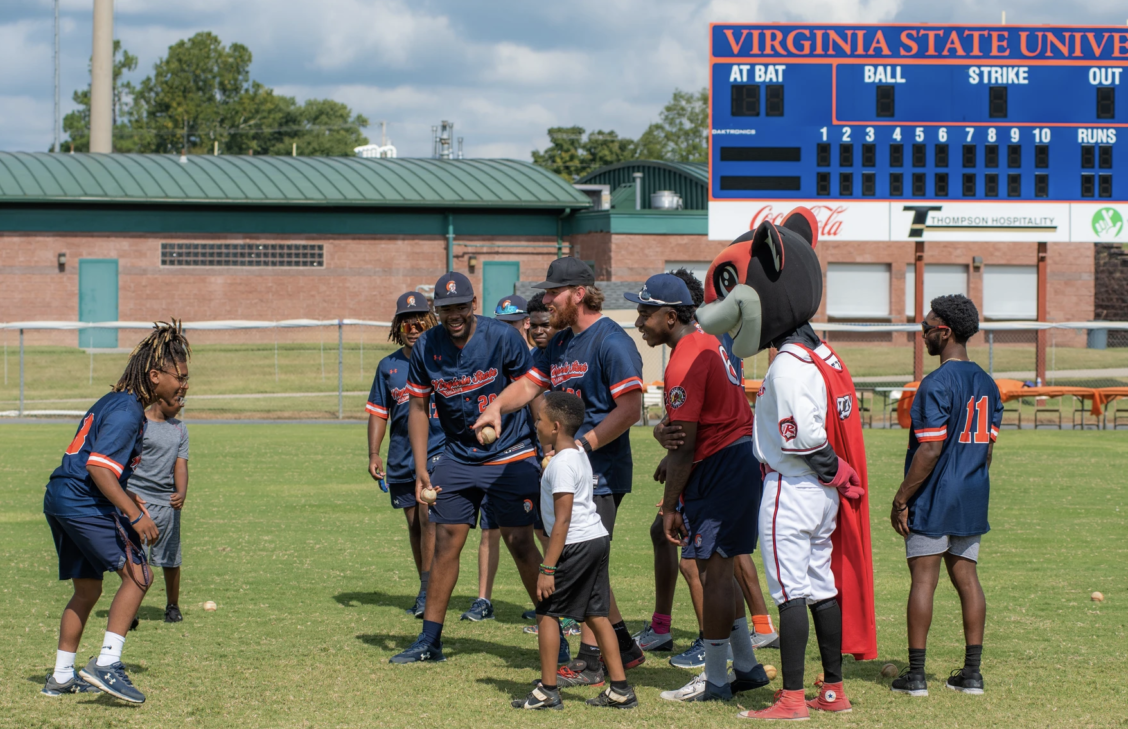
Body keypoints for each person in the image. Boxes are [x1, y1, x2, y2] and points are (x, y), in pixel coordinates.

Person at [692, 209, 876, 720]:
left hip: (792, 489)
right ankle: (832, 690)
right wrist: (837, 478)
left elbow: (805, 441)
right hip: (816, 496)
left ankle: (792, 697)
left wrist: (836, 472)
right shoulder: (820, 353)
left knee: (792, 594)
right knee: (821, 589)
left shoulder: (789, 366)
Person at [475, 257, 647, 686]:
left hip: (600, 473)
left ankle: (591, 663)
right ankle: (623, 647)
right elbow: (530, 384)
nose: (547, 299)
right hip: (569, 470)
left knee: (581, 564)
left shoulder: (611, 341)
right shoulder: (560, 343)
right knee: (587, 565)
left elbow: (630, 409)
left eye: (555, 292)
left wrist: (581, 447)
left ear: (580, 294)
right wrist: (495, 405)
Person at [390, 272, 545, 664]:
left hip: (510, 452)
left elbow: (531, 388)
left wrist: (547, 447)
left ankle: (552, 629)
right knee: (446, 543)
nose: (454, 314)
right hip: (457, 456)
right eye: (446, 308)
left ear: (473, 304)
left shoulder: (503, 337)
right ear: (437, 311)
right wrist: (422, 466)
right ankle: (430, 640)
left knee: (520, 543)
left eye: (460, 306)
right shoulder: (427, 345)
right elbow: (420, 407)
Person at [629, 273, 770, 702]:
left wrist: (670, 505)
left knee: (713, 575)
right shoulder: (710, 342)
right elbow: (687, 429)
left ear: (670, 316)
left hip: (719, 467)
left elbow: (686, 444)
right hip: (736, 461)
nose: (639, 321)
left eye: (645, 312)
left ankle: (715, 679)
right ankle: (745, 667)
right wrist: (664, 441)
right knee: (719, 573)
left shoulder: (684, 358)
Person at [41, 321, 191, 704]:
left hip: (60, 497)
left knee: (88, 588)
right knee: (139, 574)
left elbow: (98, 462)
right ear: (155, 375)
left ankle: (61, 675)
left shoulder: (112, 400)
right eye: (181, 377)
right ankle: (107, 664)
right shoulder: (128, 410)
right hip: (82, 499)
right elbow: (98, 467)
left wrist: (128, 498)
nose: (185, 385)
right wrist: (136, 515)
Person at [890, 295, 1000, 698]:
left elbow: (930, 450)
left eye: (927, 326)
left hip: (935, 494)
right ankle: (972, 674)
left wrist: (901, 499)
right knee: (967, 579)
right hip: (972, 494)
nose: (923, 333)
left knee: (924, 579)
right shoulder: (988, 384)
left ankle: (916, 676)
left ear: (945, 331)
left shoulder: (934, 384)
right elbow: (988, 448)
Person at [512, 392, 638, 711]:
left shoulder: (563, 463)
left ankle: (548, 692)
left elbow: (563, 519)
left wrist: (548, 568)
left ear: (555, 426)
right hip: (596, 538)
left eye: (539, 419)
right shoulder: (577, 451)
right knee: (596, 615)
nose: (535, 423)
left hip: (576, 544)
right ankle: (620, 690)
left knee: (547, 612)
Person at [367, 292, 445, 618]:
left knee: (429, 517)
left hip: (440, 450)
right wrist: (374, 452)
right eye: (406, 323)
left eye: (419, 322)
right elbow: (378, 413)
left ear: (430, 322)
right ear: (398, 327)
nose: (413, 328)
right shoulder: (389, 367)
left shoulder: (445, 359)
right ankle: (425, 586)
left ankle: (428, 592)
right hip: (401, 455)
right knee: (415, 525)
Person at [461, 294, 536, 623]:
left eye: (514, 322)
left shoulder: (534, 359)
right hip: (492, 454)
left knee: (544, 531)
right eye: (503, 322)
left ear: (526, 322)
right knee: (489, 529)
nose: (508, 328)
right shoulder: (490, 357)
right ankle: (483, 599)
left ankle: (557, 601)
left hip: (526, 454)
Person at [125, 391, 189, 625]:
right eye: (177, 399)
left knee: (171, 558)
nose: (181, 403)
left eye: (184, 399)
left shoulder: (180, 428)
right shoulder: (138, 423)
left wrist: (181, 492)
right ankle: (129, 610)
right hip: (138, 501)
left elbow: (180, 466)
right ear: (160, 398)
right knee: (135, 557)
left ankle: (172, 605)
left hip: (167, 503)